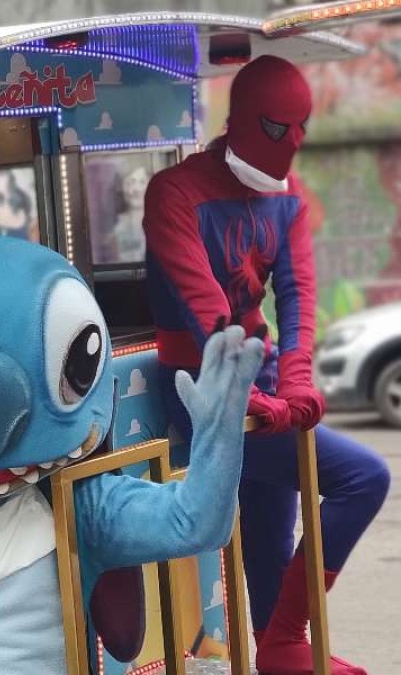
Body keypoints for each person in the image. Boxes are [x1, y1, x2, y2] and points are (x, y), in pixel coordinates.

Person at [143, 55, 390, 675]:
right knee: (364, 477)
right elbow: (205, 312)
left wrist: (298, 383)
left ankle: (278, 648)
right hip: (201, 388)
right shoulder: (176, 192)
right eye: (278, 127)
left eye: (303, 126)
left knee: (272, 527)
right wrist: (252, 402)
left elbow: (299, 296)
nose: (294, 143)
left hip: (265, 379)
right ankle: (284, 638)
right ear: (243, 120)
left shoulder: (290, 198)